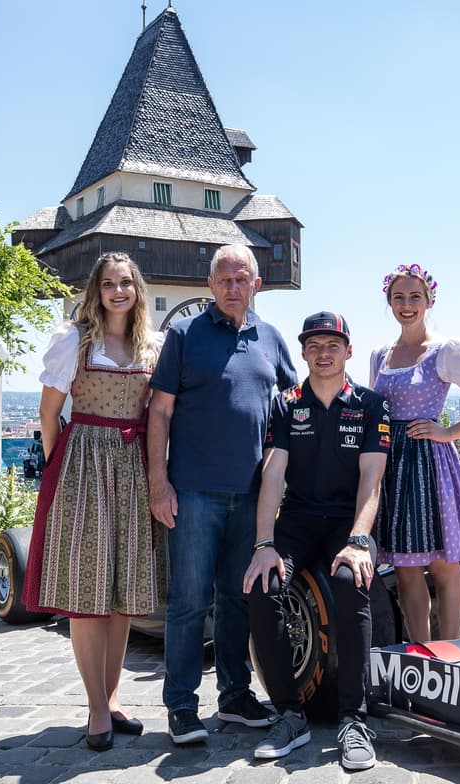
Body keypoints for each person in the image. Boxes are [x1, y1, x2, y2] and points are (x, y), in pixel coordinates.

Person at [147, 243, 298, 744]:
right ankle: (181, 706)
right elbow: (160, 413)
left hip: (252, 499)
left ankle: (235, 696)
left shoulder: (271, 338)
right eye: (225, 280)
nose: (234, 288)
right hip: (192, 493)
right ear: (211, 286)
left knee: (237, 600)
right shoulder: (185, 334)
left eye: (243, 279)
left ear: (256, 285)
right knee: (189, 603)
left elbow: (294, 408)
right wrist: (158, 481)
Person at [21, 252, 163, 752]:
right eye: (109, 284)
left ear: (137, 290)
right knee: (88, 591)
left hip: (133, 468)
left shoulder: (152, 345)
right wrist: (62, 469)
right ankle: (96, 707)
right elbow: (48, 413)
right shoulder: (74, 342)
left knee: (123, 589)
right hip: (83, 467)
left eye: (126, 283)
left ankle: (114, 694)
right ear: (97, 291)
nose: (118, 291)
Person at [243, 312, 389, 770]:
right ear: (303, 352)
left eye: (333, 345)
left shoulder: (370, 405)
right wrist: (263, 544)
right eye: (314, 345)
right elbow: (273, 475)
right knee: (263, 587)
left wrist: (360, 540)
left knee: (349, 583)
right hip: (299, 520)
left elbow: (373, 479)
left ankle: (354, 719)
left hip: (349, 521)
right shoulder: (285, 404)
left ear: (348, 351)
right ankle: (290, 713)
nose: (323, 353)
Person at [370, 263, 460, 642]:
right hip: (394, 466)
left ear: (429, 300)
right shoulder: (379, 355)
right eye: (399, 297)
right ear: (390, 303)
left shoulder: (445, 351)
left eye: (415, 296)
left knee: (445, 565)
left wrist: (447, 432)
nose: (407, 304)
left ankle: (451, 655)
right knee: (405, 569)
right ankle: (422, 654)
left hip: (430, 464)